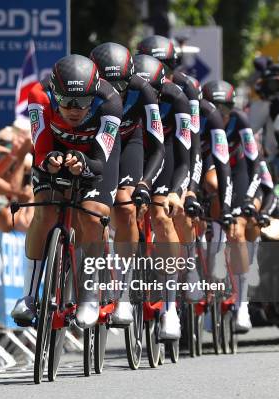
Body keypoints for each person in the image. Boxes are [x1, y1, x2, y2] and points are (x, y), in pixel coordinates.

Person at [11, 54, 123, 329]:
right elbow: (40, 146)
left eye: (83, 102)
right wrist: (49, 161)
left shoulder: (110, 102)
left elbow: (99, 161)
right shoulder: (38, 95)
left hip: (96, 159)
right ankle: (29, 295)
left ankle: (88, 295)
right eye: (67, 101)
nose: (75, 109)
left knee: (92, 217)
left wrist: (83, 164)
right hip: (55, 152)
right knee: (44, 212)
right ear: (53, 93)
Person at [89, 42, 165, 325]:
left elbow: (157, 146)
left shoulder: (142, 90)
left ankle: (122, 290)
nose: (114, 90)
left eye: (120, 84)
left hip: (128, 140)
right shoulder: (83, 88)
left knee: (126, 206)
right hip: (93, 140)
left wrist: (145, 182)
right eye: (107, 83)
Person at [131, 50, 192, 339]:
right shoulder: (123, 93)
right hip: (133, 147)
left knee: (160, 213)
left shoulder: (177, 98)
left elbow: (184, 157)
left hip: (165, 151)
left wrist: (178, 191)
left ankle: (170, 309)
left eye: (151, 93)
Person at [202, 80, 262, 331]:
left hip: (238, 170)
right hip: (209, 165)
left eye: (225, 109)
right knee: (211, 189)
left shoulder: (241, 120)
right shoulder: (201, 118)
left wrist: (247, 199)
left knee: (237, 231)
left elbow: (255, 163)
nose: (220, 115)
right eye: (214, 108)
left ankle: (242, 305)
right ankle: (205, 295)